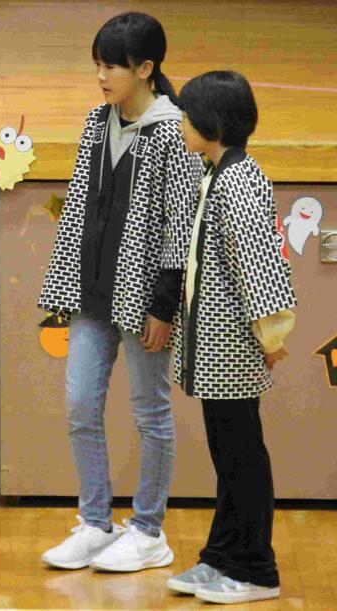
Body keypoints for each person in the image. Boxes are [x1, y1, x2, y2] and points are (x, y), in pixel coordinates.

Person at [38, 12, 203, 572]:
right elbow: (82, 204)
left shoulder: (174, 130)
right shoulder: (96, 120)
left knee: (149, 411)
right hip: (90, 290)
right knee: (80, 405)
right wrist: (65, 279)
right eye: (98, 65)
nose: (101, 76)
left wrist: (164, 304)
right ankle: (95, 522)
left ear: (146, 68)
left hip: (145, 297)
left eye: (111, 66)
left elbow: (182, 223)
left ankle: (149, 531)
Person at [167, 71, 295, 605]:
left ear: (213, 125)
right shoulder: (217, 172)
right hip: (214, 349)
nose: (180, 123)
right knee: (229, 456)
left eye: (187, 116)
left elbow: (259, 267)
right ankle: (222, 556)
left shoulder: (239, 182)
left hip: (233, 349)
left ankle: (256, 569)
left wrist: (271, 335)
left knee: (242, 458)